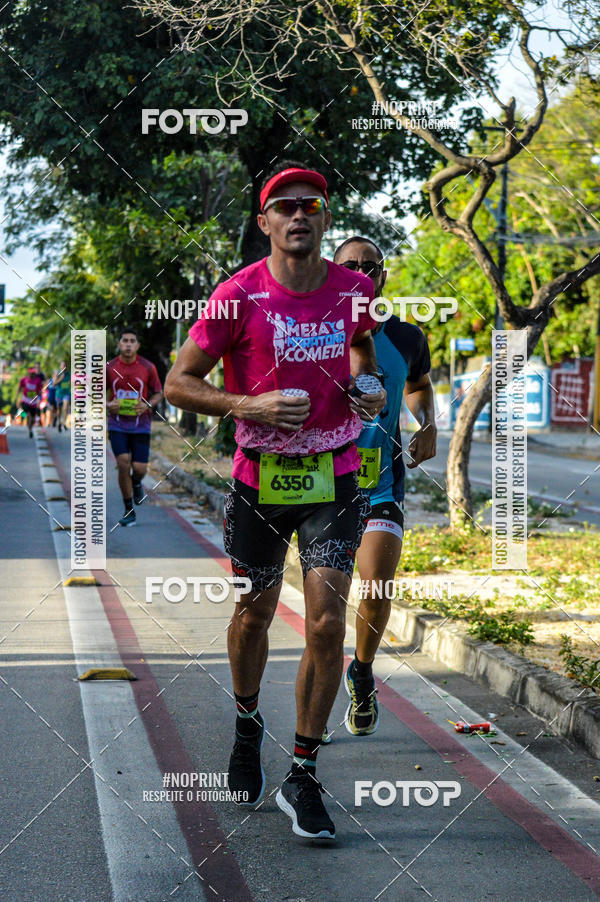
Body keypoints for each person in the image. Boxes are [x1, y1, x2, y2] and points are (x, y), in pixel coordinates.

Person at [165, 162, 386, 840]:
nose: (297, 215)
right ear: (264, 222)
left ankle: (303, 771)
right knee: (254, 612)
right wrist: (245, 403)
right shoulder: (235, 297)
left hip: (335, 474)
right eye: (283, 206)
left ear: (324, 218)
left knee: (324, 624)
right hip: (259, 478)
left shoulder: (353, 290)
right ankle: (245, 719)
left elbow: (363, 353)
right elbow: (178, 382)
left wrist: (367, 387)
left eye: (310, 205)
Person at [333, 235, 436, 736]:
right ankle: (313, 715)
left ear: (383, 277)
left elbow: (417, 384)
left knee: (374, 585)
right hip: (318, 483)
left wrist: (429, 423)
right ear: (333, 270)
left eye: (369, 266)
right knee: (325, 606)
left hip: (378, 481)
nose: (360, 272)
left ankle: (363, 669)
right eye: (349, 264)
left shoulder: (407, 337)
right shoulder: (312, 332)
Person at [106, 328, 163, 528]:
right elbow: (94, 393)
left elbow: (158, 392)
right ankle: (128, 510)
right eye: (125, 340)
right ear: (119, 344)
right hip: (117, 424)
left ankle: (137, 482)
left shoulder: (148, 367)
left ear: (137, 346)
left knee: (139, 468)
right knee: (123, 462)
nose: (128, 344)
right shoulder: (109, 367)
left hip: (141, 425)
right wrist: (107, 405)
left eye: (132, 341)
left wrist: (148, 404)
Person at [15, 365, 43, 437]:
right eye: (30, 373)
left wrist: (39, 397)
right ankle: (29, 429)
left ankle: (30, 429)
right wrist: (17, 397)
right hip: (25, 400)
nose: (31, 375)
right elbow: (19, 388)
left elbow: (40, 390)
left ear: (34, 374)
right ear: (28, 374)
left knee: (33, 418)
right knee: (28, 415)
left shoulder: (38, 380)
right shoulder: (24, 380)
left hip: (34, 401)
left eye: (33, 374)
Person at [54, 361, 71, 432]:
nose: (64, 367)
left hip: (66, 393)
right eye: (62, 366)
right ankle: (58, 421)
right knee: (59, 409)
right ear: (60, 367)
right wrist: (61, 378)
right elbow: (54, 383)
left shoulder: (68, 374)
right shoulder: (57, 373)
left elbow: (70, 383)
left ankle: (63, 422)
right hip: (59, 394)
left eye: (65, 366)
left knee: (66, 406)